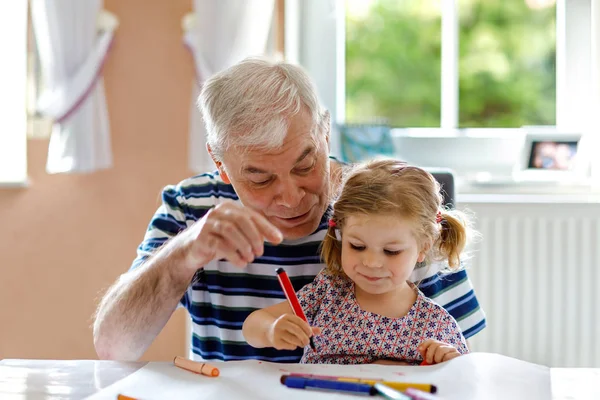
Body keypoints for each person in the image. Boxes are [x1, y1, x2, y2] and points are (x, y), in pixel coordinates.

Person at [93, 57, 486, 362]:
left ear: (325, 131)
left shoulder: (385, 205)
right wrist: (185, 252)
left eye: (305, 165)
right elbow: (115, 347)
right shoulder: (190, 209)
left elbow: (462, 358)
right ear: (219, 162)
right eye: (260, 179)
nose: (291, 197)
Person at [243, 160, 471, 365]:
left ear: (423, 246)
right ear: (341, 234)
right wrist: (271, 330)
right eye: (357, 246)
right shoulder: (328, 293)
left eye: (391, 251)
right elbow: (252, 325)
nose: (371, 262)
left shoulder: (436, 324)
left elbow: (463, 376)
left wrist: (446, 362)